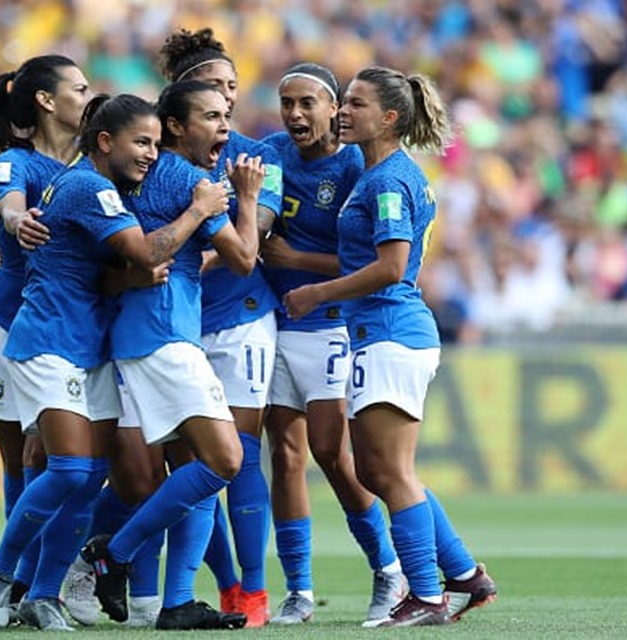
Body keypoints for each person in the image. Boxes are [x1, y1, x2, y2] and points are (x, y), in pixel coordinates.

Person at [0, 92, 227, 630]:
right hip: (49, 343)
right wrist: (199, 211)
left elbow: (118, 265)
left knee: (89, 479)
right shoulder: (90, 186)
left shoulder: (100, 188)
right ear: (105, 141)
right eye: (141, 142)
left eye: (157, 145)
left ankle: (44, 594)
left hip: (90, 348)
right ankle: (0, 571)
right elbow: (146, 254)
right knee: (67, 470)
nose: (151, 156)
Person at [283, 65, 498, 627]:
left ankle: (427, 594)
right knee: (381, 472)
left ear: (390, 117)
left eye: (355, 104)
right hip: (382, 335)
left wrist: (315, 293)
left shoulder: (386, 182)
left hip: (390, 332)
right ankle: (463, 574)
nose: (344, 112)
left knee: (390, 472)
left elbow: (392, 267)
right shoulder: (383, 173)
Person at [83, 79, 266, 631]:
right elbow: (243, 259)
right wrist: (248, 197)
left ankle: (175, 599)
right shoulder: (190, 179)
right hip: (164, 338)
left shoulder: (124, 178)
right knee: (225, 460)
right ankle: (110, 554)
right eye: (211, 116)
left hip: (129, 337)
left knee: (181, 470)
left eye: (226, 115)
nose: (223, 127)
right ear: (177, 128)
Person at [260, 62, 405, 626]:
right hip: (278, 323)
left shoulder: (354, 165)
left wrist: (297, 261)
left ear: (334, 109)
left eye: (308, 104)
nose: (296, 114)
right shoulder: (273, 152)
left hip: (331, 324)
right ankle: (298, 589)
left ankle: (387, 567)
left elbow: (374, 261)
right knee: (287, 457)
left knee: (330, 452)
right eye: (287, 103)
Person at [157, 27, 282, 627]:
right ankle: (223, 584)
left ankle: (252, 592)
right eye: (213, 87)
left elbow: (248, 248)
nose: (227, 98)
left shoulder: (259, 157)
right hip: (174, 324)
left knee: (242, 457)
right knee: (191, 465)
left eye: (233, 87)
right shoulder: (149, 160)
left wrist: (167, 253)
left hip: (240, 320)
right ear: (181, 102)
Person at [0, 54, 90, 609]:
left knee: (54, 460)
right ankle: (18, 579)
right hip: (9, 321)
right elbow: (9, 201)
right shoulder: (15, 161)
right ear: (47, 100)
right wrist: (18, 222)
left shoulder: (96, 161)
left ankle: (25, 575)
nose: (88, 96)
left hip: (68, 326)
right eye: (79, 88)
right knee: (23, 459)